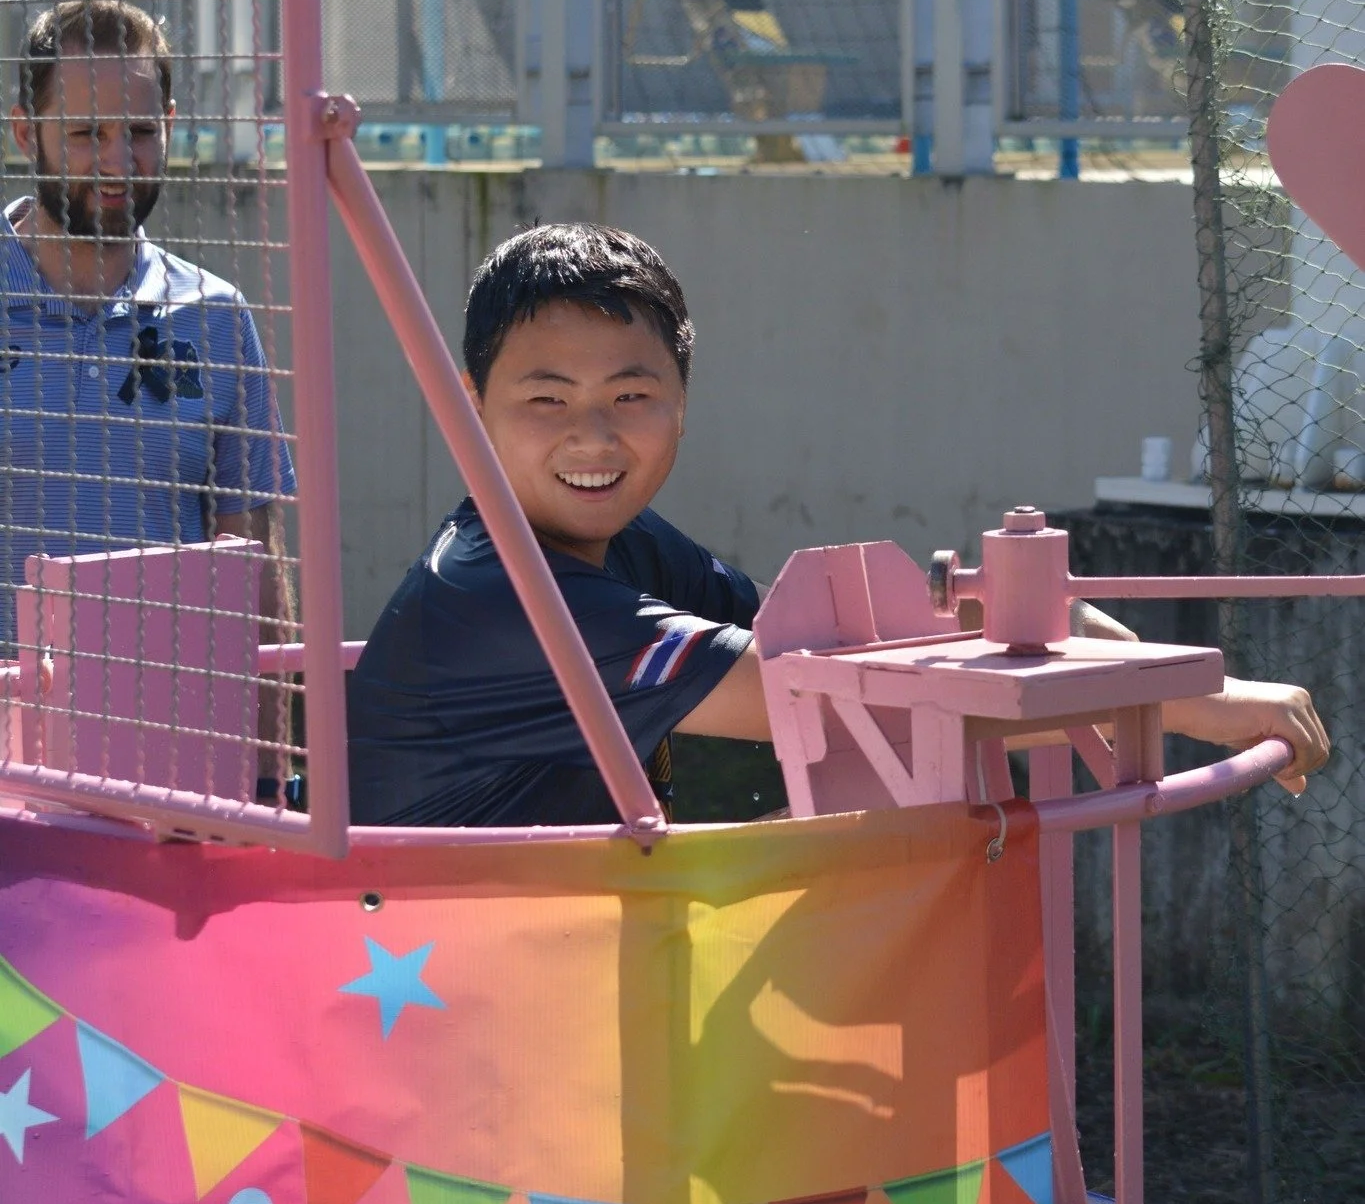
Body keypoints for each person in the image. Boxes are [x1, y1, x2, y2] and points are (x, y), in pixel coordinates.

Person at [347, 222, 1329, 829]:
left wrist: (1038, 633)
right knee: (884, 832)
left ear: (682, 402)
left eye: (631, 394)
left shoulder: (621, 547)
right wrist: (1185, 697)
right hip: (447, 1016)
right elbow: (822, 704)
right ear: (470, 405)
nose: (593, 436)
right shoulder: (502, 598)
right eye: (546, 399)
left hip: (542, 965)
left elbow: (828, 645)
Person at [0, 0, 297, 774]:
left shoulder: (217, 317)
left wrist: (272, 774)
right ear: (26, 133)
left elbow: (253, 566)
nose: (117, 161)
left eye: (137, 131)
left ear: (168, 125)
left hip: (170, 767)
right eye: (86, 133)